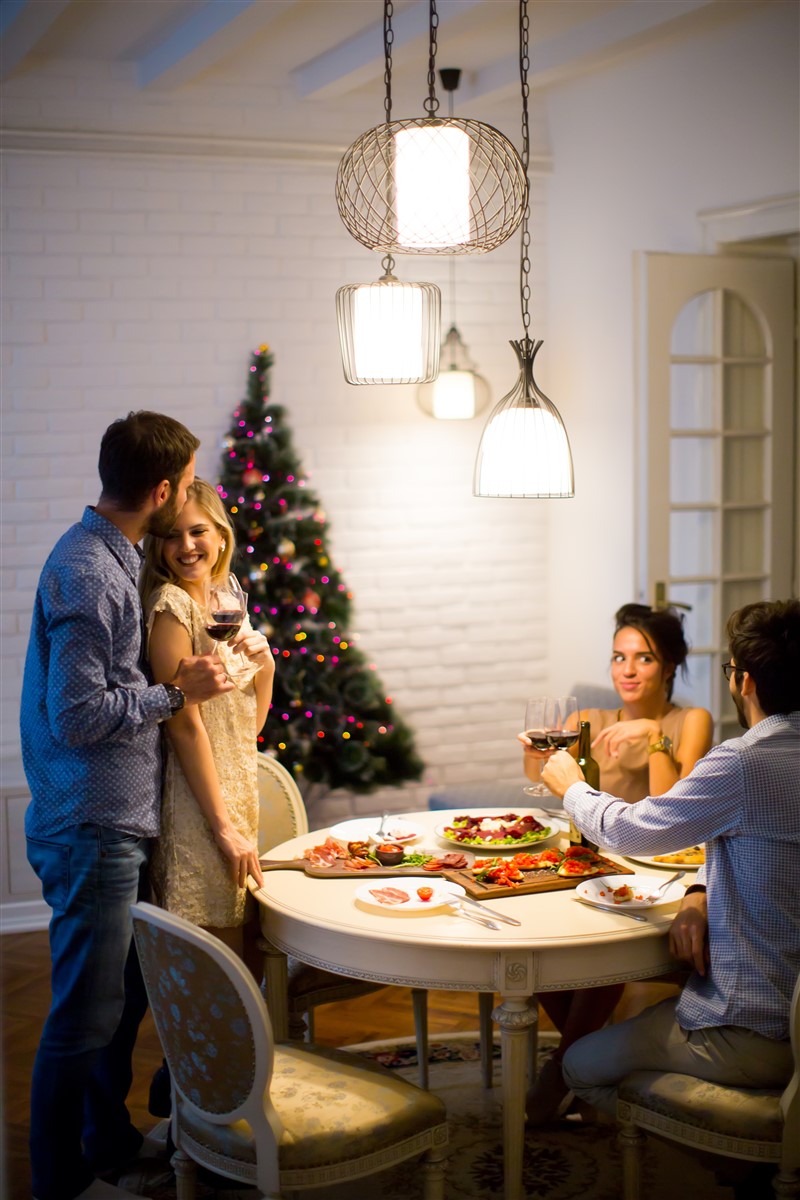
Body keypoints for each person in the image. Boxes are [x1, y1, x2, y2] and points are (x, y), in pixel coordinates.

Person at [21, 412, 233, 1200]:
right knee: (82, 1017)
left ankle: (106, 1142)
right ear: (162, 489)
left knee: (120, 1000)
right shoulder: (92, 573)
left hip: (117, 823)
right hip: (90, 825)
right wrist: (178, 692)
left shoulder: (110, 559)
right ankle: (62, 1182)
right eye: (182, 484)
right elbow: (77, 715)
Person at [540, 598, 800, 1123]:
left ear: (744, 681)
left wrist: (572, 788)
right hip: (792, 1018)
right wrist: (698, 894)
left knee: (580, 1065)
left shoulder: (743, 761)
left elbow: (634, 831)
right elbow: (745, 838)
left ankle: (713, 1150)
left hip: (755, 1032)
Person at [518, 603, 713, 1123]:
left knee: (601, 944)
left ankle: (559, 1068)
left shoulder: (687, 721)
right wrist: (535, 753)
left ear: (669, 666)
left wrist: (652, 736)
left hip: (656, 876)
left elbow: (670, 809)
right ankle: (587, 1064)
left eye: (643, 658)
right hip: (591, 867)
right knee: (537, 941)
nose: (627, 670)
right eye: (618, 657)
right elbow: (544, 779)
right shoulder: (587, 721)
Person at [139, 479, 273, 971]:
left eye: (198, 531)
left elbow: (245, 729)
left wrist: (269, 666)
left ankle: (242, 1051)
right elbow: (183, 727)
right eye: (172, 535)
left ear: (220, 535)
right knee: (212, 970)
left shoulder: (225, 603)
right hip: (201, 810)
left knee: (241, 959)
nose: (187, 546)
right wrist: (221, 828)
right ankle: (199, 1052)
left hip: (238, 800)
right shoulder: (172, 607)